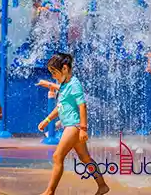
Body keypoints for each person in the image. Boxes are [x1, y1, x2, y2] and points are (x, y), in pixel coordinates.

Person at [37, 53, 109, 195]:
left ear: (64, 68)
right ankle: (102, 186)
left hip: (74, 126)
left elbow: (82, 106)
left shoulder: (74, 84)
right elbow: (60, 107)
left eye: (54, 73)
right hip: (71, 126)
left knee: (57, 156)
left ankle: (50, 191)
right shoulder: (64, 85)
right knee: (85, 158)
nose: (53, 76)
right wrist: (47, 120)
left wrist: (83, 129)